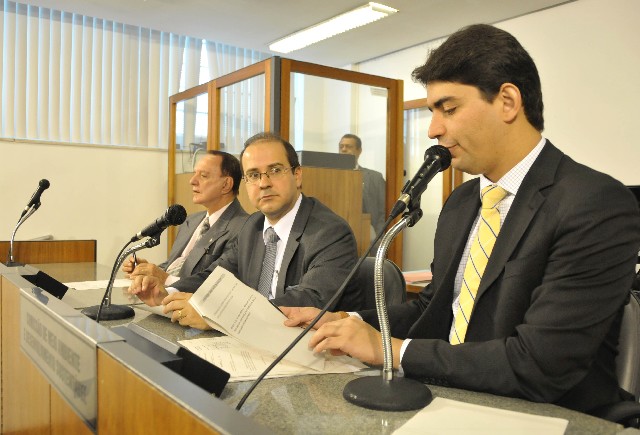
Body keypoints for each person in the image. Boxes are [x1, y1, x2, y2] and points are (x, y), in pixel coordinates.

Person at [282, 24, 640, 415]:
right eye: (433, 113)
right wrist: (342, 321)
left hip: (545, 414)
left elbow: (540, 364)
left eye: (449, 109)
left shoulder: (594, 203)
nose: (434, 129)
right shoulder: (462, 202)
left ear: (507, 102)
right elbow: (433, 309)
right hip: (451, 397)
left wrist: (391, 350)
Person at [129, 132, 362, 329]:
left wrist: (218, 315)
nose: (263, 183)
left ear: (297, 175)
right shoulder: (253, 226)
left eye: (275, 170)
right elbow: (215, 277)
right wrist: (167, 293)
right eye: (253, 175)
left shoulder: (330, 232)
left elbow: (309, 302)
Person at [123, 150, 248, 286]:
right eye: (194, 173)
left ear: (226, 184)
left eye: (203, 175)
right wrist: (149, 270)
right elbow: (175, 265)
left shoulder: (244, 228)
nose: (192, 181)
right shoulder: (191, 221)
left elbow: (217, 284)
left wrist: (165, 279)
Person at [339, 134, 387, 237]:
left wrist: (379, 236)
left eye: (348, 146)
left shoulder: (375, 178)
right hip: (337, 233)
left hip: (368, 234)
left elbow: (384, 210)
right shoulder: (329, 178)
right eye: (341, 146)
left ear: (359, 151)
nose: (343, 149)